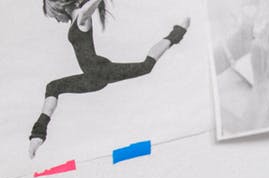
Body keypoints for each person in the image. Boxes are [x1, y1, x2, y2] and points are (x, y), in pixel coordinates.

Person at [29, 0, 190, 158]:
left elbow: (88, 8)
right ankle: (38, 134)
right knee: (53, 87)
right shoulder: (76, 19)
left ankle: (177, 33)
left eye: (53, 15)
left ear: (57, 7)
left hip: (100, 72)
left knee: (145, 66)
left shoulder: (82, 16)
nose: (57, 20)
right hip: (92, 78)